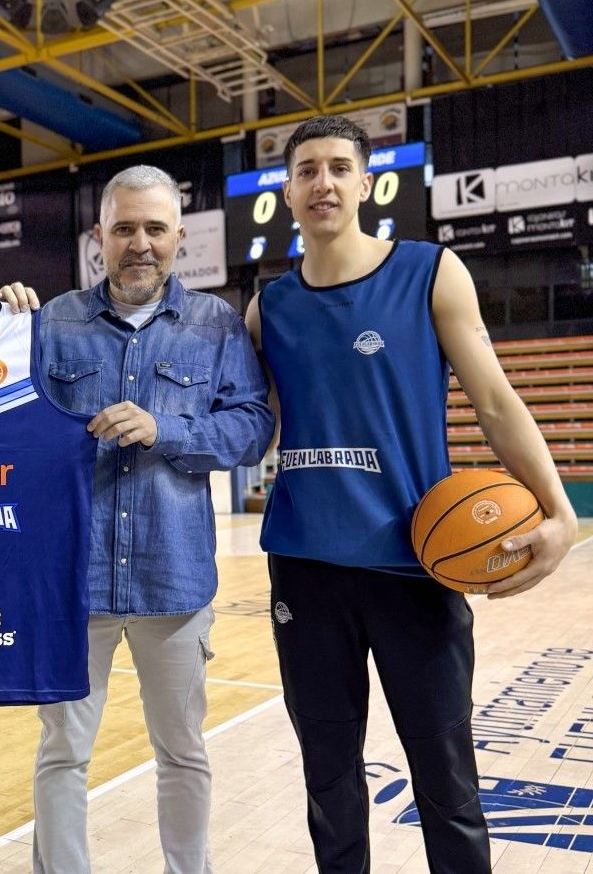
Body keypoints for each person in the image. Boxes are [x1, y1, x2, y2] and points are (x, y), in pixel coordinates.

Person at [245, 114, 578, 872]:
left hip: (416, 568)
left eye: (338, 167)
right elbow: (247, 429)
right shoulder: (269, 308)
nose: (322, 182)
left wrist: (559, 513)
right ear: (288, 193)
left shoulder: (430, 270)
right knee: (329, 781)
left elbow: (494, 401)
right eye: (306, 171)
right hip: (304, 571)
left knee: (447, 782)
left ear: (367, 183)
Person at [0, 164, 274, 873]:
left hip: (173, 583)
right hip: (71, 583)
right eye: (124, 229)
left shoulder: (215, 326)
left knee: (182, 752)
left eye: (153, 228)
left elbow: (251, 428)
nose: (138, 244)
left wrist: (167, 428)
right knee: (63, 752)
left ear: (179, 236)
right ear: (99, 239)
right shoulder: (49, 323)